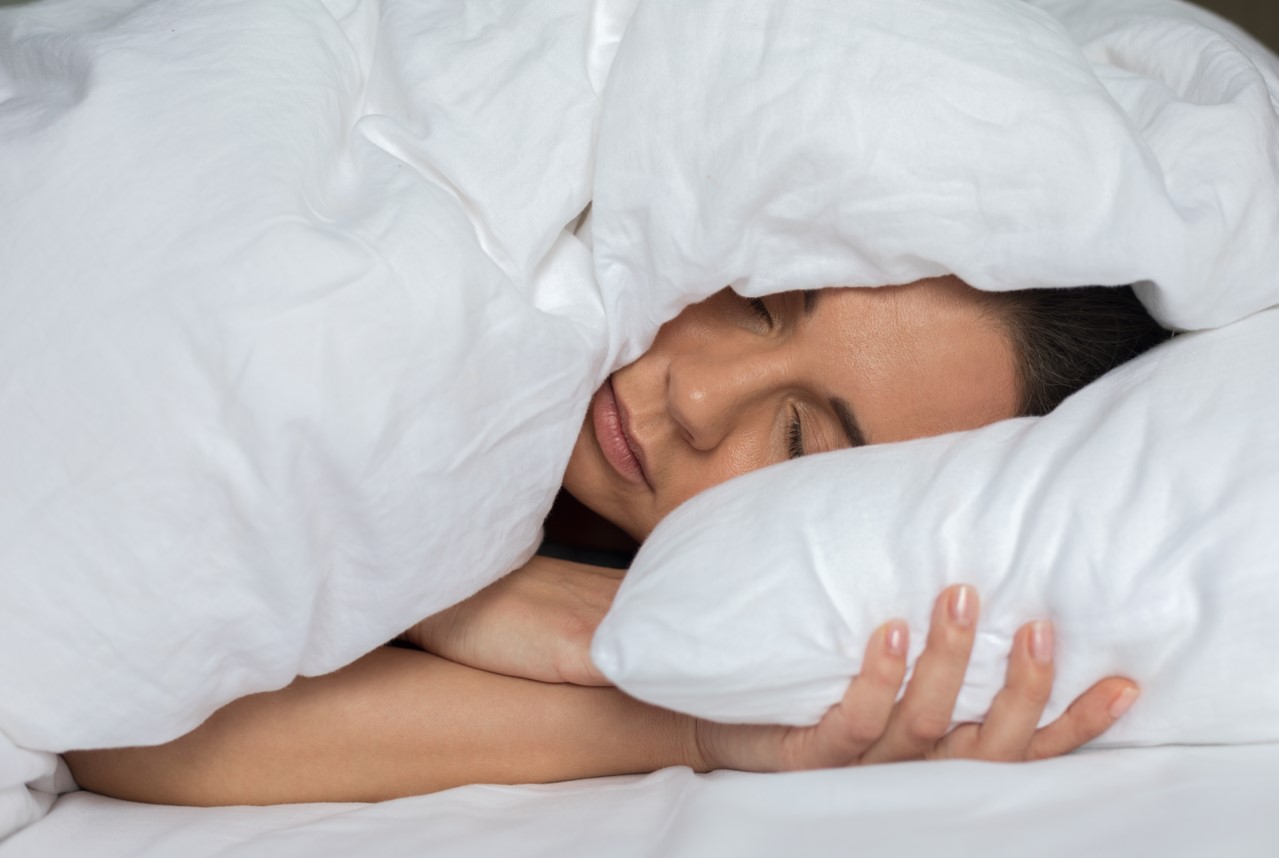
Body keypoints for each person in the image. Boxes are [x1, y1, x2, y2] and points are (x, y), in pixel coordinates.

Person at [64, 276, 1172, 806]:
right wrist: (441, 591)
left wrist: (676, 727)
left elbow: (122, 720)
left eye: (797, 443)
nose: (696, 395)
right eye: (761, 302)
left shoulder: (658, 599)